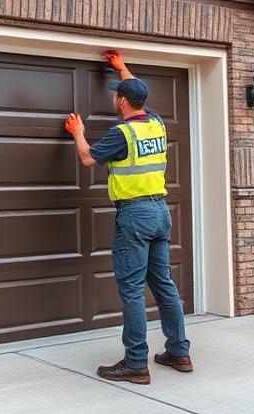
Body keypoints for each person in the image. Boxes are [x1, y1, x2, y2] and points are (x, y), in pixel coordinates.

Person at [63, 49, 192, 385]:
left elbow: (88, 159)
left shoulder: (122, 135)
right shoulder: (157, 124)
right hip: (160, 212)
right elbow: (136, 90)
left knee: (132, 290)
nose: (116, 98)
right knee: (163, 285)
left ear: (121, 102)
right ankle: (179, 351)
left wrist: (78, 130)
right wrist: (121, 68)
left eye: (117, 95)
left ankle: (136, 363)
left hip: (134, 215)